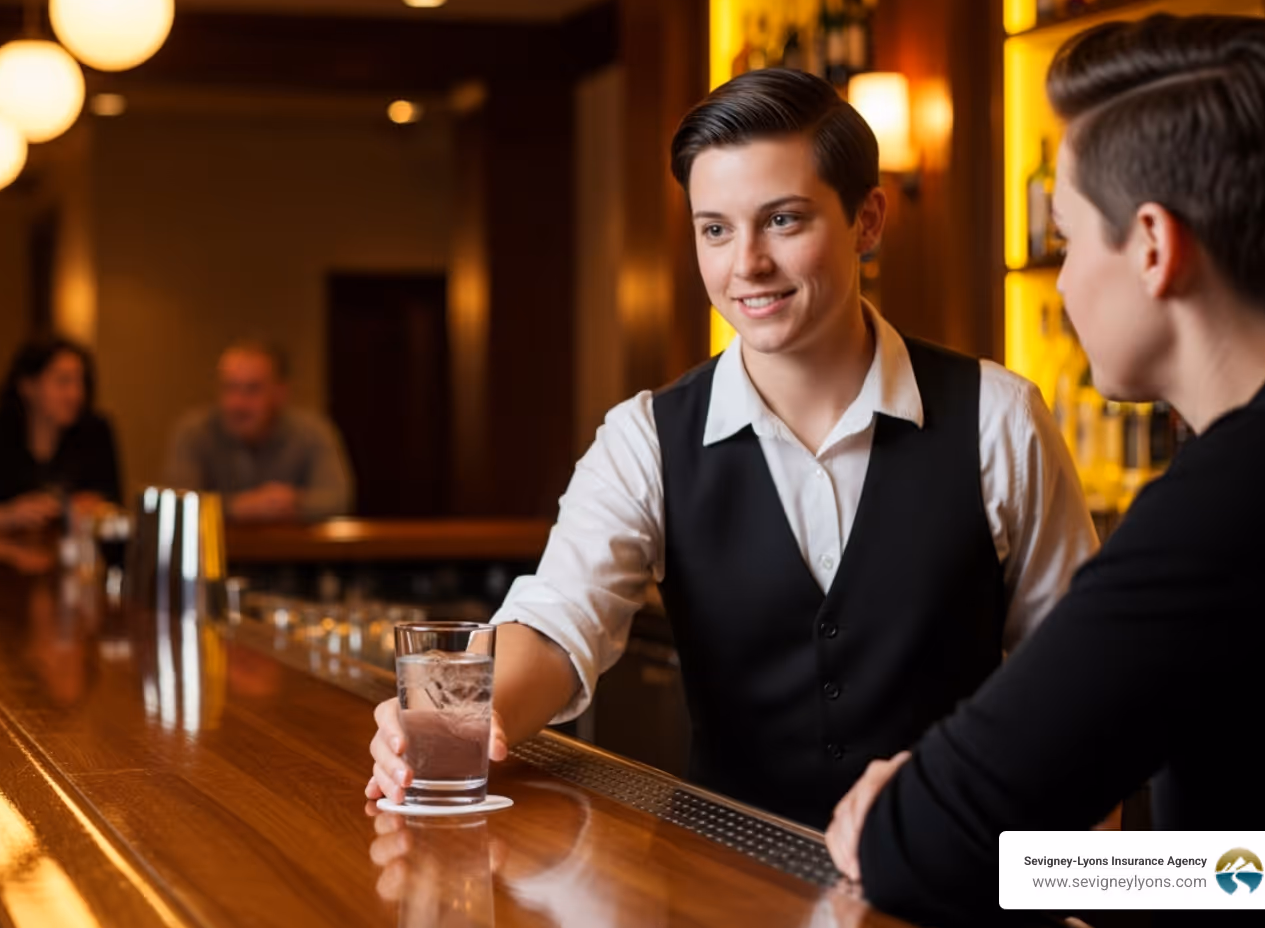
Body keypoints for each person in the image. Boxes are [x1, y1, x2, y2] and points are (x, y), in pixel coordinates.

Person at [365, 68, 1098, 830]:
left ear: (868, 220)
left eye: (783, 221)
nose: (745, 264)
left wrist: (1069, 888)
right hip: (730, 883)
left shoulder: (999, 418)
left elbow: (1079, 680)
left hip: (952, 878)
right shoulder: (645, 438)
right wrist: (455, 716)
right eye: (715, 229)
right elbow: (557, 623)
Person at [825, 14, 1265, 926]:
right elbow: (1244, 871)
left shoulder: (1241, 491)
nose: (1066, 278)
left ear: (1155, 247)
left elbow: (919, 844)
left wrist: (905, 810)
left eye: (1068, 236)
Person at [0, 337, 121, 530]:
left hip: (73, 556)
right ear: (27, 385)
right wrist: (7, 515)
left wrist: (87, 507)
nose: (76, 394)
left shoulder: (95, 432)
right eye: (63, 381)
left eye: (81, 382)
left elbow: (114, 503)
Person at [162, 340, 354, 521]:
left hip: (291, 554)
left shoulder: (312, 432)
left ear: (280, 392)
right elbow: (179, 505)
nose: (237, 403)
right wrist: (236, 507)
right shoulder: (194, 432)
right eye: (229, 388)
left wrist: (293, 501)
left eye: (252, 389)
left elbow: (338, 500)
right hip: (211, 554)